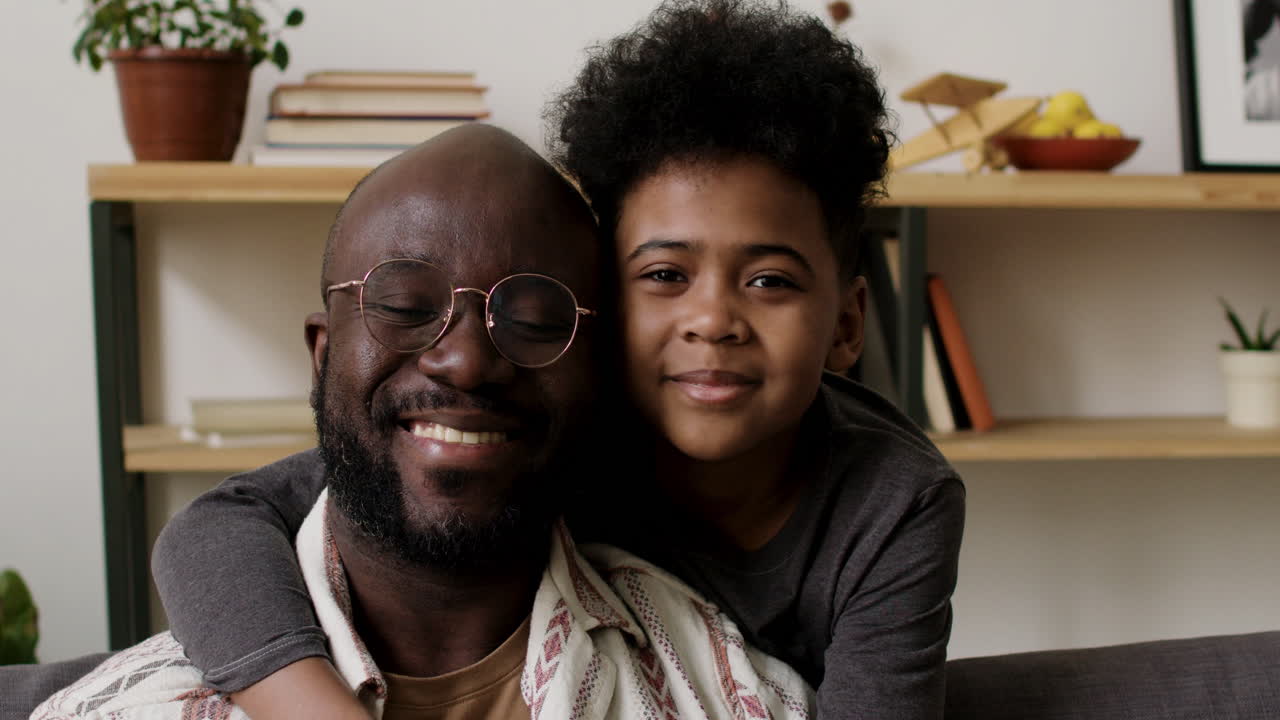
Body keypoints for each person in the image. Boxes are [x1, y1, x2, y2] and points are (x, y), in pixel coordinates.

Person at [150, 1, 966, 718]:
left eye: (770, 280)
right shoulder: (565, 417)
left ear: (849, 324)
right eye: (664, 275)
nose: (713, 319)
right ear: (601, 309)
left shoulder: (896, 502)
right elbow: (215, 528)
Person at [29, 125, 814, 720]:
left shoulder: (728, 690)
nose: (466, 361)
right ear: (322, 352)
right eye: (405, 305)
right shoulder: (140, 704)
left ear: (601, 373)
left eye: (538, 320)